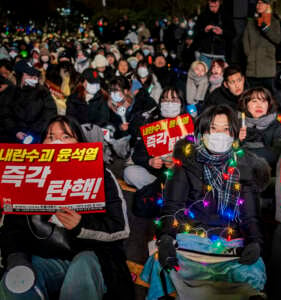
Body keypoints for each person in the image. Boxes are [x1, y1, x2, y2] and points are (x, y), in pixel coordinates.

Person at [0, 115, 132, 300]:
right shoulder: (26, 176)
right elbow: (10, 228)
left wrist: (82, 225)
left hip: (92, 259)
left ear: (80, 142)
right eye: (50, 137)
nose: (57, 143)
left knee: (83, 266)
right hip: (46, 260)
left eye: (66, 137)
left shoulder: (102, 175)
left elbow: (120, 228)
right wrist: (15, 258)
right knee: (14, 282)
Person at [152, 104, 269, 298]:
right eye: (213, 128)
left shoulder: (244, 167)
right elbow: (173, 208)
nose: (219, 134)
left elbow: (250, 216)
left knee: (254, 271)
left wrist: (255, 241)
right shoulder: (186, 164)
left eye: (225, 129)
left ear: (233, 133)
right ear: (203, 131)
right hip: (192, 238)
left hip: (230, 242)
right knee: (160, 264)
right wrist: (166, 237)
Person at [123, 87, 185, 217]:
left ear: (181, 103)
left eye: (173, 100)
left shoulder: (189, 124)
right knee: (129, 173)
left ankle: (167, 195)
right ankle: (164, 194)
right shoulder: (152, 123)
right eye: (165, 100)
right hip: (156, 176)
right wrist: (149, 161)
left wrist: (179, 164)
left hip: (181, 178)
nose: (169, 104)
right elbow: (137, 154)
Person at [238, 87, 281, 172]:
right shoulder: (236, 123)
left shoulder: (276, 126)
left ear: (269, 105)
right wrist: (237, 140)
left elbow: (280, 154)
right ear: (245, 104)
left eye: (263, 101)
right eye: (254, 101)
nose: (259, 105)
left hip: (268, 172)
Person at [11, 60, 57, 143]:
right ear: (20, 76)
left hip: (38, 136)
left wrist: (36, 131)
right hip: (14, 139)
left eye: (34, 75)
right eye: (29, 74)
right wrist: (16, 131)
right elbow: (5, 114)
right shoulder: (10, 93)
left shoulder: (43, 91)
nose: (33, 77)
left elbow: (50, 112)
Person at [243, 0, 281, 91]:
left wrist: (266, 28)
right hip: (252, 68)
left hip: (267, 68)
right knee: (251, 96)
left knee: (268, 97)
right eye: (257, 3)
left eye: (261, 3)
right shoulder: (251, 22)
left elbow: (277, 40)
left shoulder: (274, 21)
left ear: (268, 5)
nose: (258, 5)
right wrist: (249, 55)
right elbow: (245, 41)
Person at [195, 0, 234, 68]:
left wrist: (222, 32)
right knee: (202, 77)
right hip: (205, 54)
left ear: (219, 2)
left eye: (215, 5)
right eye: (211, 6)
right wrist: (205, 30)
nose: (213, 8)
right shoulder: (202, 16)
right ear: (208, 2)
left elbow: (233, 33)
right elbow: (196, 33)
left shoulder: (226, 15)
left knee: (219, 77)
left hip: (221, 55)